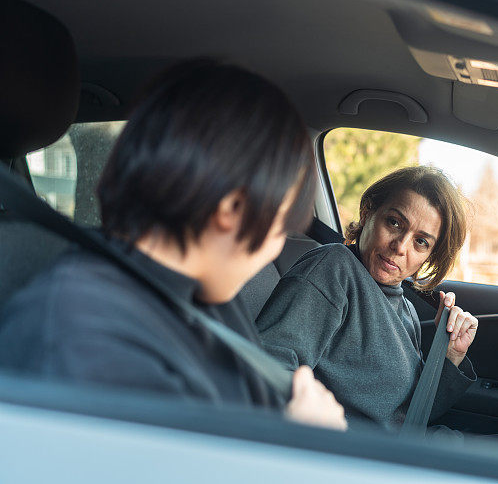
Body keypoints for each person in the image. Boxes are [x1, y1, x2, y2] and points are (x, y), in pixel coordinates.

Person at [0, 59, 346, 430]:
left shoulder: (209, 300)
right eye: (280, 227)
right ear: (232, 209)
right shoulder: (81, 336)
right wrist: (295, 445)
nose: (276, 248)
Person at [255, 166, 479, 429]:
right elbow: (267, 369)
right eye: (394, 223)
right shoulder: (333, 269)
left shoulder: (405, 309)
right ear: (367, 213)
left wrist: (450, 353)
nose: (400, 246)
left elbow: (412, 413)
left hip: (406, 448)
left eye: (421, 242)